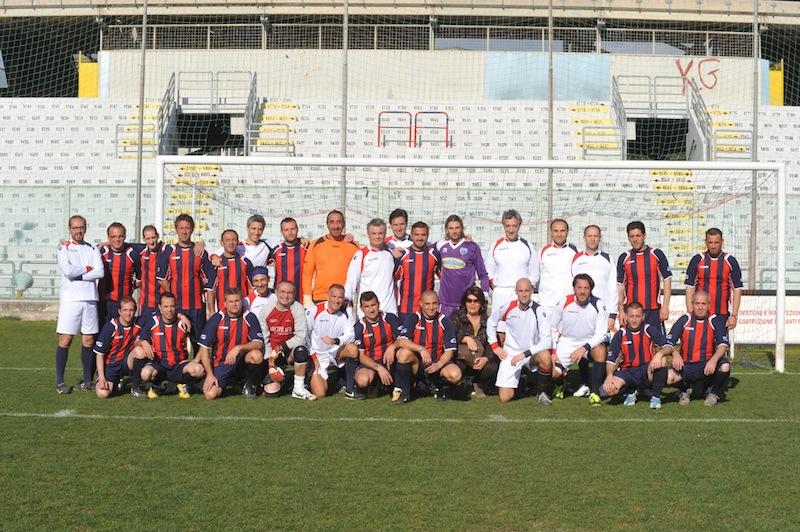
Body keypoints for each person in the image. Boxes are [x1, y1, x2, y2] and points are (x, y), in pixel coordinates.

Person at [54, 214, 104, 394]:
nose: (78, 231)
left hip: (90, 298)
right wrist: (88, 269)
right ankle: (60, 382)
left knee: (89, 340)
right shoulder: (63, 248)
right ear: (69, 229)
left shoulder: (92, 248)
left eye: (81, 227)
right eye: (75, 228)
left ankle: (87, 380)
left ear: (86, 228)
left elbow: (100, 272)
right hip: (70, 300)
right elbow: (68, 271)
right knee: (66, 339)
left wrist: (81, 273)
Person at [569, 224, 618, 397]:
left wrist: (612, 314)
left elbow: (613, 287)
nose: (592, 238)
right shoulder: (576, 258)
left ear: (599, 238)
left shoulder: (607, 258)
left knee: (600, 347)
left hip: (602, 313)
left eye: (596, 236)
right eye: (589, 236)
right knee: (583, 342)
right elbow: (572, 286)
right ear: (584, 237)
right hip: (582, 311)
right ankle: (584, 383)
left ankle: (598, 385)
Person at [487, 278, 553, 405]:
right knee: (504, 398)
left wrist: (524, 354)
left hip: (530, 355)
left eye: (527, 290)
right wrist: (495, 346)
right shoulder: (509, 306)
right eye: (521, 291)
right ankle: (521, 383)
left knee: (545, 356)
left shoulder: (539, 310)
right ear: (516, 292)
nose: (524, 294)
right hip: (510, 354)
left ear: (532, 291)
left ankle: (542, 393)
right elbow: (491, 322)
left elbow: (547, 341)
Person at [131, 292, 205, 399]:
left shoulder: (183, 322)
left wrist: (195, 360)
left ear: (176, 307)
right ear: (160, 308)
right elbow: (137, 341)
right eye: (166, 306)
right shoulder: (153, 322)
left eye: (172, 306)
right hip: (159, 365)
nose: (169, 310)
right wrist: (143, 342)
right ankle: (179, 386)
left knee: (198, 370)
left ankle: (164, 387)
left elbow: (202, 344)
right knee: (145, 374)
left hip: (179, 365)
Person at [549, 274, 608, 405]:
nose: (582, 291)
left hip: (588, 344)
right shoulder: (564, 301)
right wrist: (553, 352)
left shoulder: (598, 304)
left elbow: (601, 334)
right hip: (566, 343)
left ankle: (594, 393)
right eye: (579, 287)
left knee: (601, 350)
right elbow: (552, 328)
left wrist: (584, 348)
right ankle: (560, 382)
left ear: (591, 289)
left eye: (586, 288)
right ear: (574, 288)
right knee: (553, 372)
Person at [393, 290, 461, 404]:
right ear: (420, 303)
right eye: (427, 304)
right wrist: (421, 349)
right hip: (418, 364)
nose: (431, 307)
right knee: (403, 353)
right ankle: (405, 391)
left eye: (434, 303)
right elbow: (401, 341)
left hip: (438, 364)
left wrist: (438, 365)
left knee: (456, 374)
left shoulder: (445, 321)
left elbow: (450, 350)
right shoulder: (413, 318)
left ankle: (440, 387)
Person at [197, 288, 265, 400]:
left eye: (237, 301)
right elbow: (204, 348)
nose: (234, 304)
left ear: (242, 301)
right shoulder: (217, 319)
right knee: (210, 395)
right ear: (225, 303)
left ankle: (250, 384)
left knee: (256, 356)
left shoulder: (249, 317)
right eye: (231, 301)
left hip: (241, 360)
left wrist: (239, 348)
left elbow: (258, 343)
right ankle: (231, 384)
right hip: (222, 363)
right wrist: (210, 374)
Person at [666, 291, 731, 407]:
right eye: (697, 303)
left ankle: (713, 393)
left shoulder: (715, 320)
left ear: (708, 305)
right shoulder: (684, 319)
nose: (700, 307)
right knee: (667, 377)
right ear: (692, 304)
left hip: (707, 366)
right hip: (687, 366)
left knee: (725, 366)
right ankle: (684, 389)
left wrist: (714, 360)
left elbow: (723, 345)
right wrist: (675, 353)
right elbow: (667, 343)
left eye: (703, 304)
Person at [603, 302, 672, 409]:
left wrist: (659, 354)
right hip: (628, 373)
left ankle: (655, 397)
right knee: (608, 390)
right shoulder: (620, 334)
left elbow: (668, 346)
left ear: (643, 317)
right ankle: (631, 390)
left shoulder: (648, 329)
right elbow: (611, 360)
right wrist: (609, 376)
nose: (634, 320)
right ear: (626, 317)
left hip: (646, 370)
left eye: (637, 316)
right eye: (631, 316)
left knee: (662, 361)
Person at [157, 213, 214, 341]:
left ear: (192, 229)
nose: (184, 231)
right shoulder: (168, 251)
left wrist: (211, 310)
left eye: (187, 228)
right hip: (176, 306)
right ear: (176, 229)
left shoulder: (200, 252)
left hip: (197, 306)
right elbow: (161, 278)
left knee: (199, 343)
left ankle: (200, 362)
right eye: (181, 228)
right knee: (175, 342)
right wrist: (171, 297)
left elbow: (210, 283)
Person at [255, 280, 311, 399]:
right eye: (282, 292)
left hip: (289, 351)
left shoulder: (298, 308)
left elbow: (301, 337)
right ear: (276, 292)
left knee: (301, 350)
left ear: (294, 294)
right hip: (272, 355)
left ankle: (298, 388)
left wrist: (282, 347)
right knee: (271, 393)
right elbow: (264, 337)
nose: (285, 296)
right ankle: (287, 380)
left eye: (289, 293)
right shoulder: (266, 309)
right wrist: (270, 360)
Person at [617, 221, 672, 332]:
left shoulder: (656, 254)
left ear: (644, 236)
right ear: (628, 237)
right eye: (632, 236)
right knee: (629, 347)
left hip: (653, 311)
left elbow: (667, 280)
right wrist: (621, 311)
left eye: (638, 235)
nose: (635, 239)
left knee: (657, 346)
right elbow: (620, 286)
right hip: (631, 312)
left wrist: (665, 307)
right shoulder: (624, 257)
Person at [346, 291, 402, 400]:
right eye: (366, 306)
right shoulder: (359, 326)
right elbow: (361, 356)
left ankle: (402, 387)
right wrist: (378, 368)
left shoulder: (389, 318)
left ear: (379, 304)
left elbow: (403, 340)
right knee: (362, 380)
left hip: (390, 361)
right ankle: (373, 385)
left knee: (403, 353)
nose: (371, 310)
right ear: (361, 308)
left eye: (373, 305)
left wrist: (393, 347)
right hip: (371, 363)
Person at [684, 228, 743, 331]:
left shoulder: (730, 261)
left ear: (722, 242)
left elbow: (737, 290)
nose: (713, 246)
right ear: (706, 242)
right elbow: (690, 287)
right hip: (701, 314)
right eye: (710, 242)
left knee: (721, 346)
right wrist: (690, 311)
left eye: (716, 242)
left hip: (722, 315)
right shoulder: (697, 260)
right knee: (700, 346)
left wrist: (734, 315)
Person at [485, 209, 539, 317]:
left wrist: (526, 290)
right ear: (503, 226)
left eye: (514, 226)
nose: (511, 230)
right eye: (508, 226)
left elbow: (535, 272)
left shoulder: (528, 246)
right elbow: (489, 270)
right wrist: (496, 288)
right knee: (500, 327)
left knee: (521, 326)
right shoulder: (496, 245)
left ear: (519, 226)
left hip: (520, 294)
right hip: (501, 292)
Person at [306, 284, 356, 398]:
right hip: (317, 356)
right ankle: (309, 376)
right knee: (320, 393)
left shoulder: (346, 312)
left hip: (335, 353)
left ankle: (348, 386)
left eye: (340, 297)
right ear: (328, 296)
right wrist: (313, 357)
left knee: (352, 349)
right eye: (334, 296)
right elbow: (305, 336)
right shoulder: (314, 310)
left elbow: (351, 334)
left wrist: (336, 340)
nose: (337, 301)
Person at [436, 214, 490, 317]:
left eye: (457, 228)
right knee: (446, 333)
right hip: (445, 303)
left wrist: (485, 293)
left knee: (465, 333)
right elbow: (422, 246)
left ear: (462, 228)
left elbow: (483, 274)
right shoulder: (441, 246)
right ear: (446, 230)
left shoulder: (472, 247)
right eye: (451, 228)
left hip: (466, 303)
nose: (454, 231)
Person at [302, 210, 359, 306]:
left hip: (344, 299)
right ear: (327, 224)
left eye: (339, 222)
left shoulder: (353, 246)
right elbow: (307, 272)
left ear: (344, 224)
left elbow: (359, 274)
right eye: (332, 222)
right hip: (321, 298)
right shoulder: (316, 243)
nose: (335, 226)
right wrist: (307, 297)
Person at [344, 218, 398, 318]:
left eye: (380, 233)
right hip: (368, 313)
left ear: (385, 234)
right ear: (368, 234)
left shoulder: (391, 253)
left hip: (389, 310)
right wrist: (345, 302)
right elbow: (351, 281)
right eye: (373, 233)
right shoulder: (361, 254)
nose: (377, 236)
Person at [450, 286, 498, 398]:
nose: (472, 304)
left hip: (479, 359)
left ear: (481, 303)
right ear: (465, 302)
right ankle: (461, 384)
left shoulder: (488, 321)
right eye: (469, 300)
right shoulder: (456, 317)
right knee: (457, 366)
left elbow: (491, 342)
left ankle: (478, 384)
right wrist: (465, 338)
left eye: (476, 301)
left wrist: (485, 358)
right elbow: (450, 337)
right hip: (461, 357)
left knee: (492, 367)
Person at [93, 296, 140, 399]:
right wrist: (101, 378)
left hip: (126, 363)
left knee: (140, 351)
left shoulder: (138, 323)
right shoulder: (110, 327)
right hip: (111, 366)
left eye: (131, 310)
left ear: (135, 311)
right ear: (119, 311)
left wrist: (181, 316)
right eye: (125, 310)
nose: (128, 313)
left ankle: (137, 386)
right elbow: (99, 354)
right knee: (103, 394)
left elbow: (159, 315)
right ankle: (109, 381)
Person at [394, 221, 440, 320]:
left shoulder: (434, 254)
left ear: (427, 236)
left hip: (427, 310)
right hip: (406, 309)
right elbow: (392, 279)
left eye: (423, 235)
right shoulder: (402, 254)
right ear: (411, 235)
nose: (420, 238)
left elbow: (444, 278)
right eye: (416, 235)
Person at [98, 222, 139, 325]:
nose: (117, 239)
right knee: (102, 335)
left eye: (120, 236)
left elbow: (140, 276)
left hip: (124, 304)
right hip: (104, 302)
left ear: (125, 236)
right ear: (108, 237)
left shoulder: (132, 253)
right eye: (113, 237)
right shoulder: (101, 251)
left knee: (122, 336)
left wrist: (134, 285)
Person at [206, 229, 253, 315]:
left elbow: (251, 288)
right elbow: (210, 290)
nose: (231, 243)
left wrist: (251, 309)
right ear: (222, 243)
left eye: (234, 240)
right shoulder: (216, 263)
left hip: (242, 310)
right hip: (222, 311)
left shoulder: (246, 262)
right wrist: (212, 312)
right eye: (227, 240)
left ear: (238, 242)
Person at [537, 218, 578, 313]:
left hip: (569, 304)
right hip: (547, 304)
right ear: (551, 232)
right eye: (556, 231)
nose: (559, 234)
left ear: (567, 232)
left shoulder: (576, 251)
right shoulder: (542, 252)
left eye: (562, 231)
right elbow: (535, 275)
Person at [268, 217, 306, 302]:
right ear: (282, 232)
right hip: (280, 299)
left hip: (301, 298)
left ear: (297, 229)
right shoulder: (276, 251)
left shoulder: (306, 248)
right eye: (286, 230)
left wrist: (301, 239)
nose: (290, 232)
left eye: (293, 229)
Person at [135, 225, 164, 325]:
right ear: (144, 239)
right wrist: (105, 243)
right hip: (145, 303)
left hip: (162, 303)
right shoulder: (141, 251)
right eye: (148, 238)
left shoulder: (166, 251)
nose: (151, 242)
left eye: (153, 238)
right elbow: (122, 244)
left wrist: (200, 243)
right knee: (144, 333)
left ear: (158, 236)